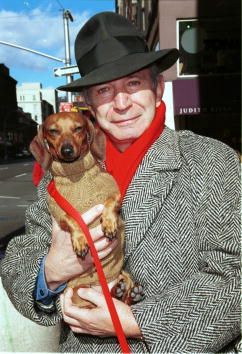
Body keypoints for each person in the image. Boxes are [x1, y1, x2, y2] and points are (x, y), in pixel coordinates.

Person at [0, 11, 240, 354]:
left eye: (133, 84)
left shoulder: (210, 160)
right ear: (89, 103)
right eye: (105, 89)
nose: (122, 102)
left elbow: (235, 275)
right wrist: (49, 274)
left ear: (157, 88)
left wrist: (136, 322)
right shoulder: (63, 173)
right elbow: (18, 261)